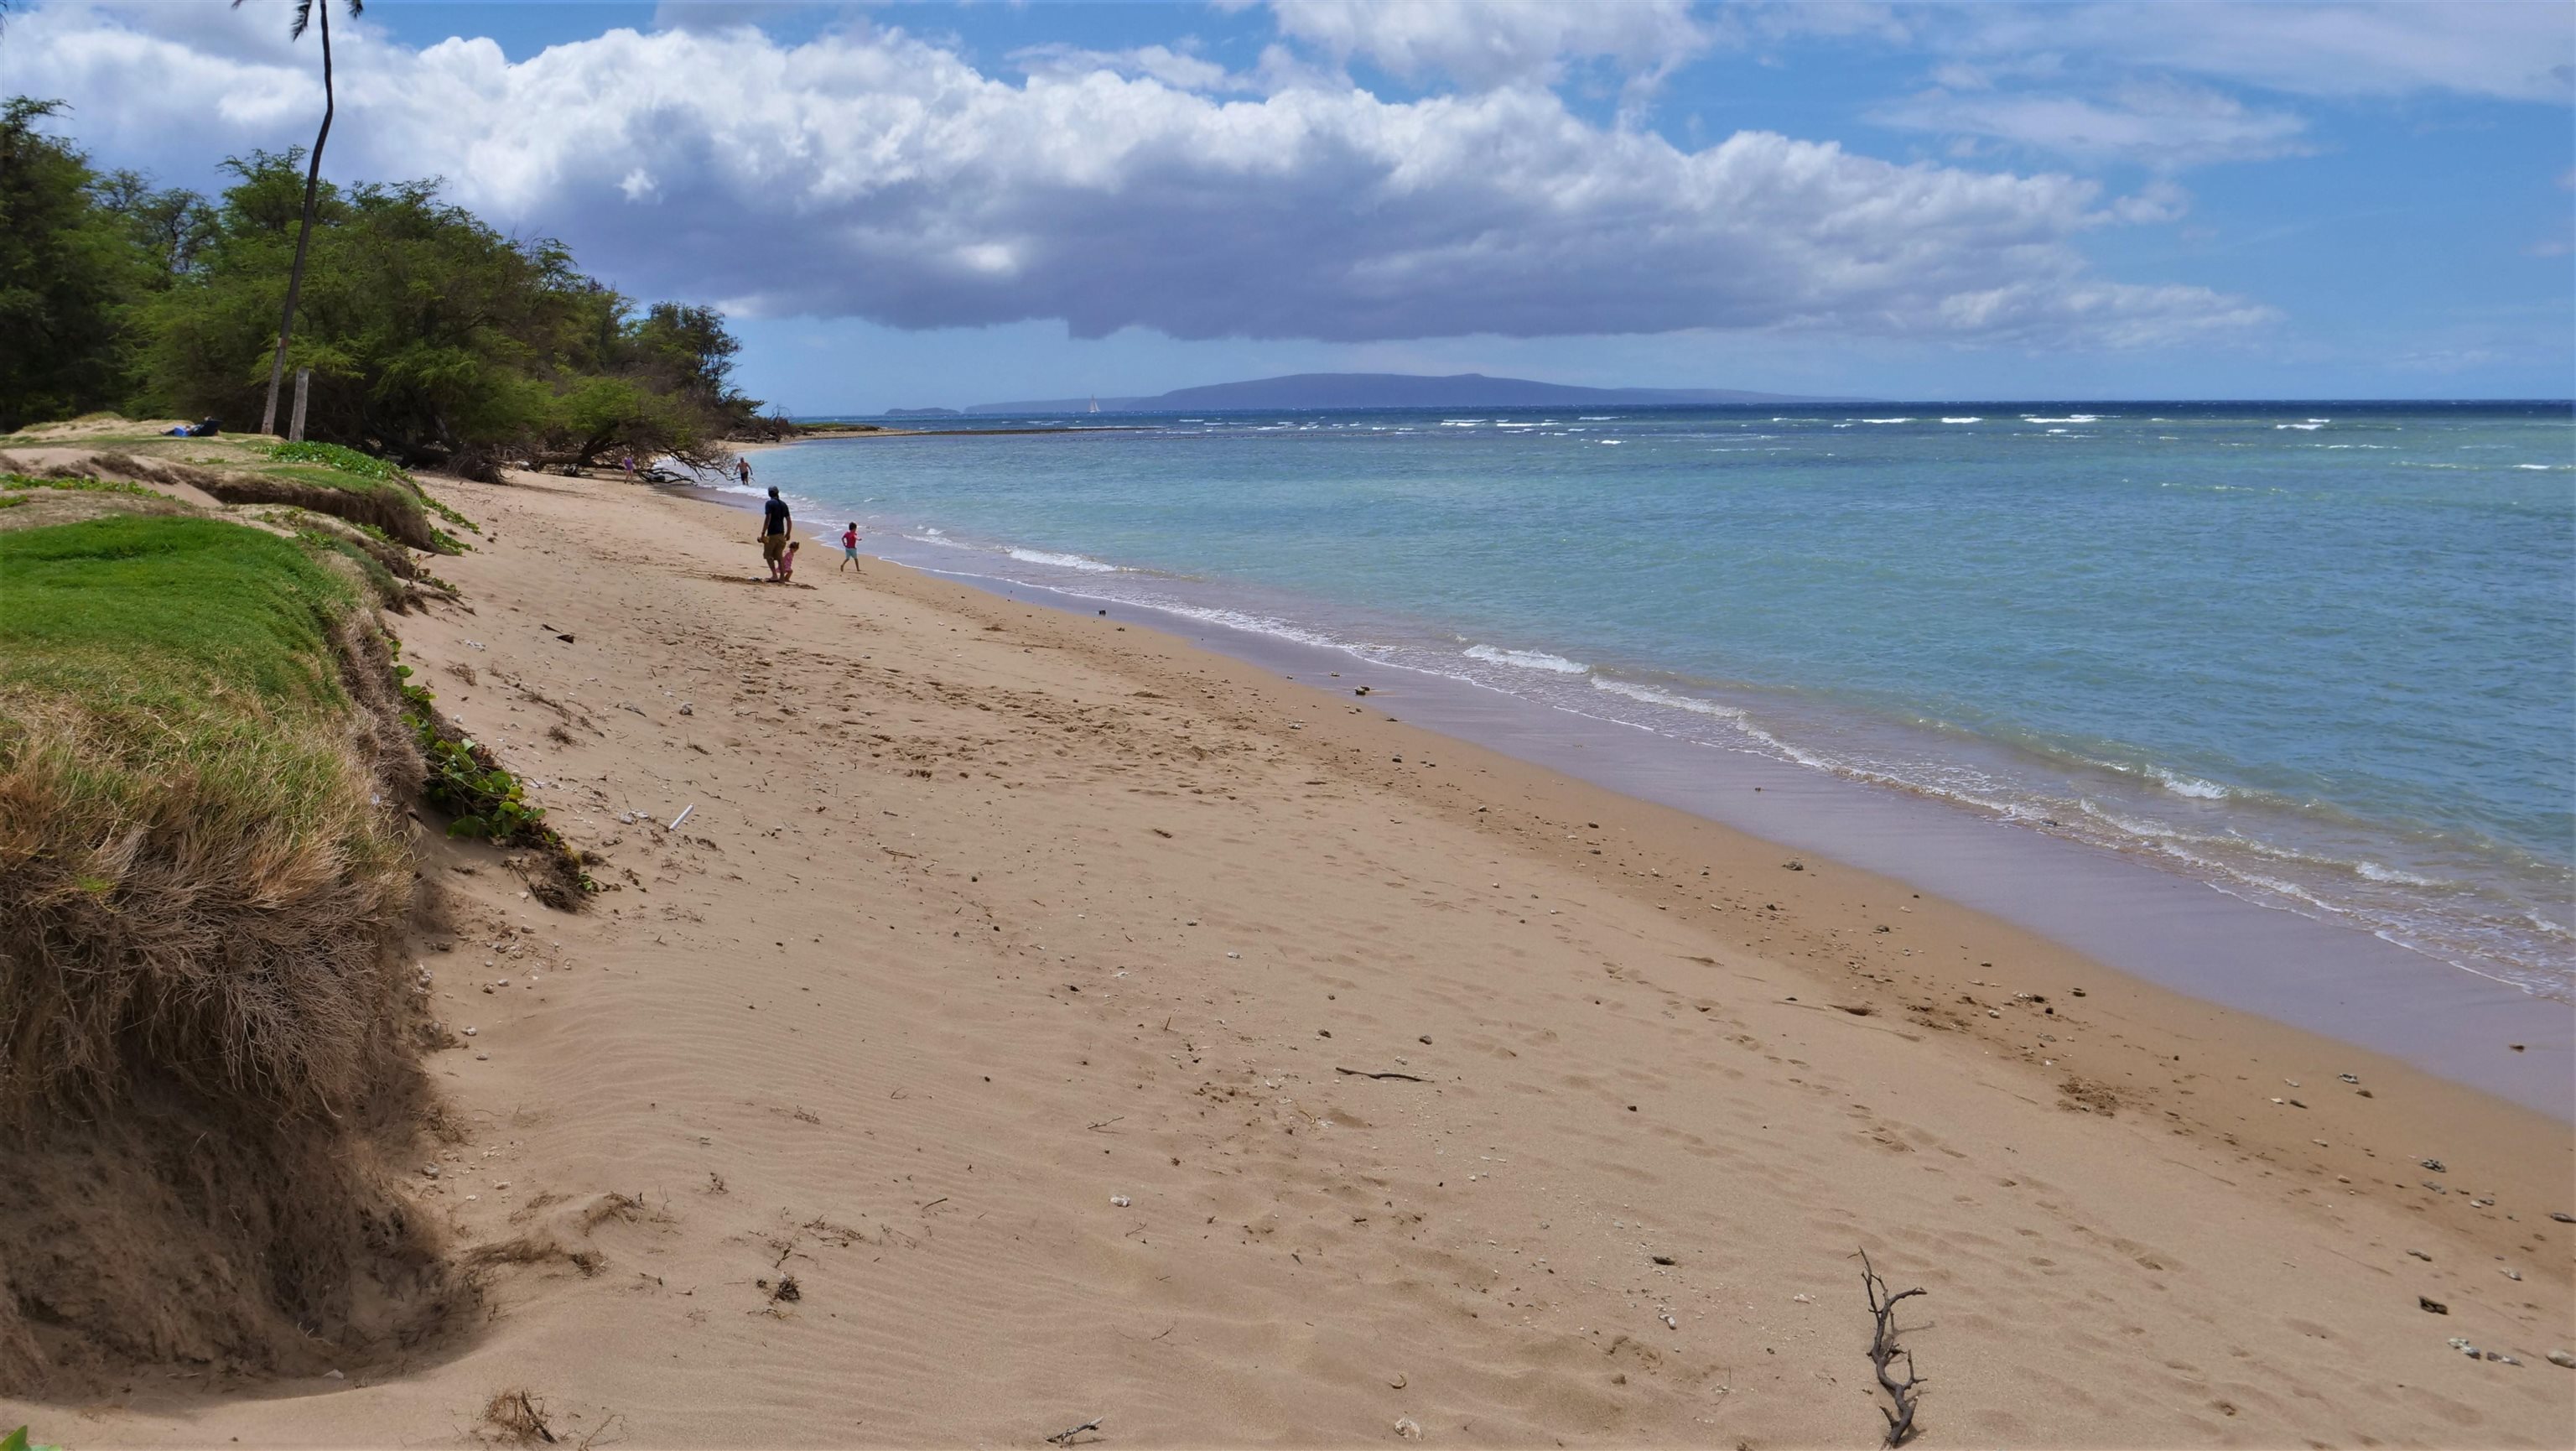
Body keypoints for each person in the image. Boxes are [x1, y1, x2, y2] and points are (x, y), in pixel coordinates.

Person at [757, 486, 792, 580]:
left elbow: (768, 518)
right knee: (779, 557)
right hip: (781, 534)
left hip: (772, 534)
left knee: (768, 555)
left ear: (769, 494)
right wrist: (788, 533)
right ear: (778, 493)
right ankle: (781, 578)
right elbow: (789, 520)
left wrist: (763, 533)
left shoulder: (769, 503)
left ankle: (774, 575)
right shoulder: (784, 504)